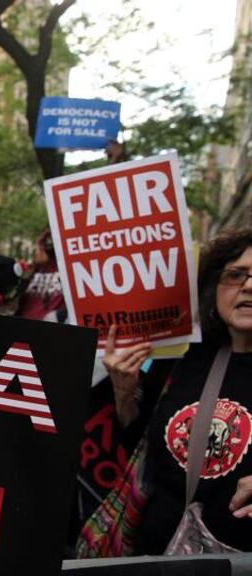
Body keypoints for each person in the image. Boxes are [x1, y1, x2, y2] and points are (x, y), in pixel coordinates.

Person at [101, 228, 252, 553]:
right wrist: (124, 392)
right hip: (151, 554)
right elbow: (140, 447)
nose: (249, 286)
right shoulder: (182, 356)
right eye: (236, 275)